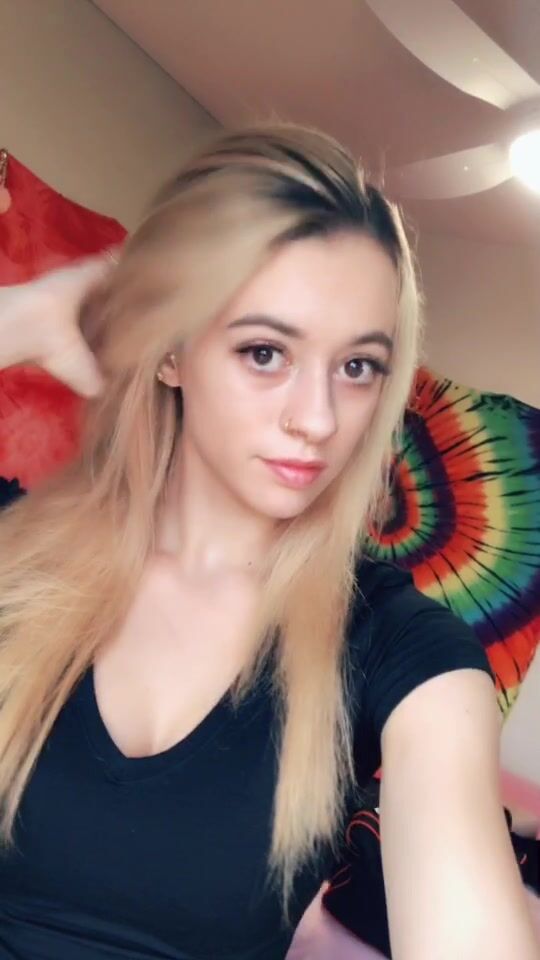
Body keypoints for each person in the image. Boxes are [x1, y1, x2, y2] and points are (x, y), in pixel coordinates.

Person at [0, 124, 537, 960]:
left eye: (357, 367)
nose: (317, 419)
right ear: (172, 352)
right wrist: (27, 317)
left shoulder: (400, 648)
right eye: (264, 351)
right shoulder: (16, 553)